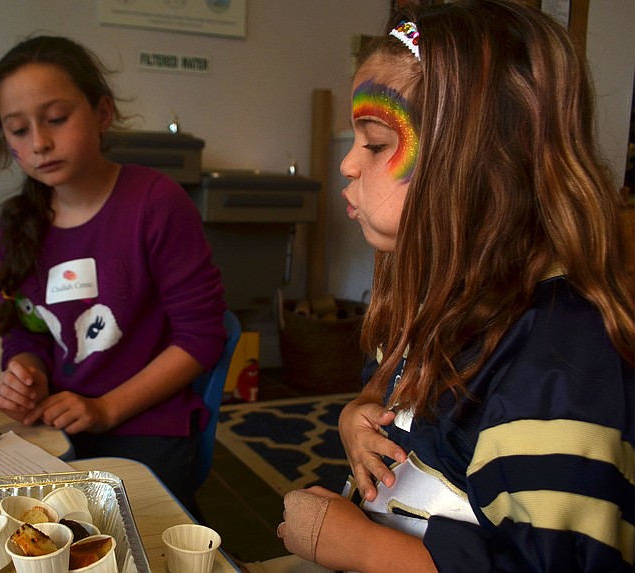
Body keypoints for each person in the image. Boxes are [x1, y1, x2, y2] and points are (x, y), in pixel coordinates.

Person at [264, 2, 634, 572]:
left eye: (376, 143)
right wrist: (358, 416)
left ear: (475, 161)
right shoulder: (436, 301)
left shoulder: (557, 369)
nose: (346, 165)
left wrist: (361, 547)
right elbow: (397, 405)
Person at [0, 36, 228, 511]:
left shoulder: (154, 203)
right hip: (55, 422)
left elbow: (201, 338)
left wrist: (104, 408)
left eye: (56, 119)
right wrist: (24, 375)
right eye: (17, 129)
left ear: (102, 113)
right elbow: (27, 333)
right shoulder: (18, 221)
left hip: (146, 424)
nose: (39, 143)